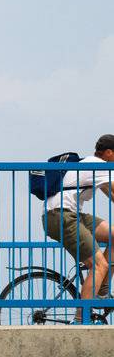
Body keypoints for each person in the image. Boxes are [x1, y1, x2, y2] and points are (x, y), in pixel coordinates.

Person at [42, 136, 114, 322]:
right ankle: (81, 319)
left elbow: (111, 193)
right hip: (61, 217)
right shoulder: (97, 165)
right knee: (99, 265)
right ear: (108, 153)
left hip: (71, 215)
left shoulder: (92, 167)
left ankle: (102, 290)